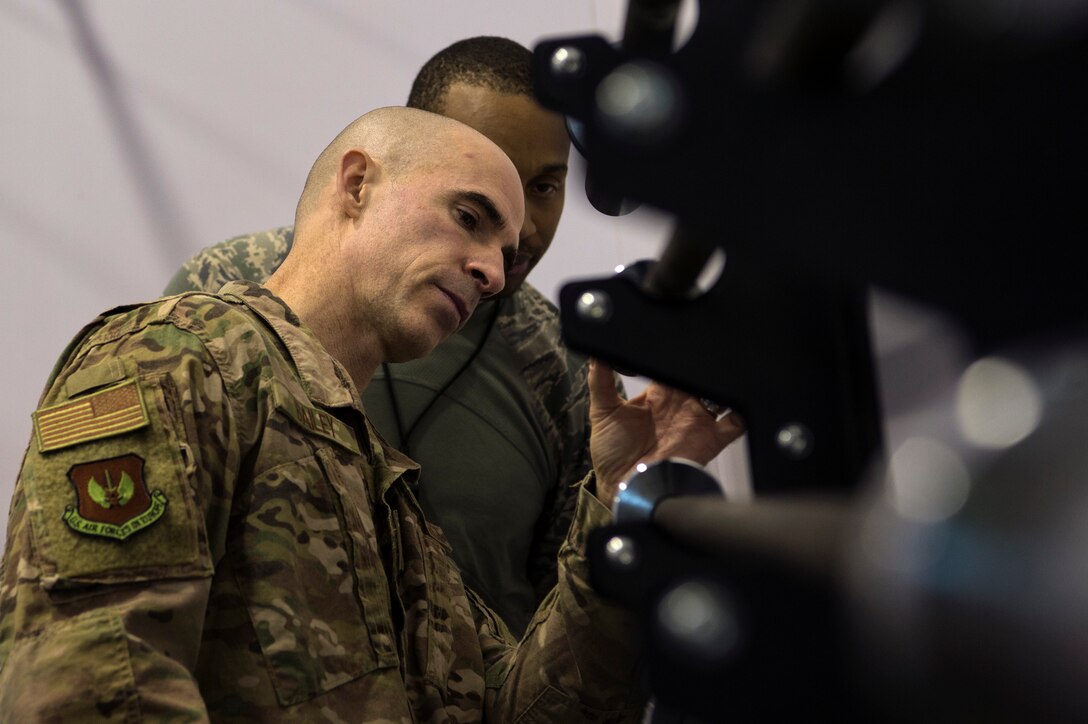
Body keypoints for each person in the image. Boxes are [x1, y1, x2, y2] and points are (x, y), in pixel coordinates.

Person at [0, 106, 744, 721]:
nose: (493, 271)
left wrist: (621, 502)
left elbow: (518, 709)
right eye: (469, 216)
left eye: (504, 249)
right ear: (357, 184)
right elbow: (90, 686)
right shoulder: (178, 360)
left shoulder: (390, 502)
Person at [164, 37, 602, 636]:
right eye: (473, 206)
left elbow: (561, 628)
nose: (518, 228)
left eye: (545, 188)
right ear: (365, 179)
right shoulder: (223, 293)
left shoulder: (563, 369)